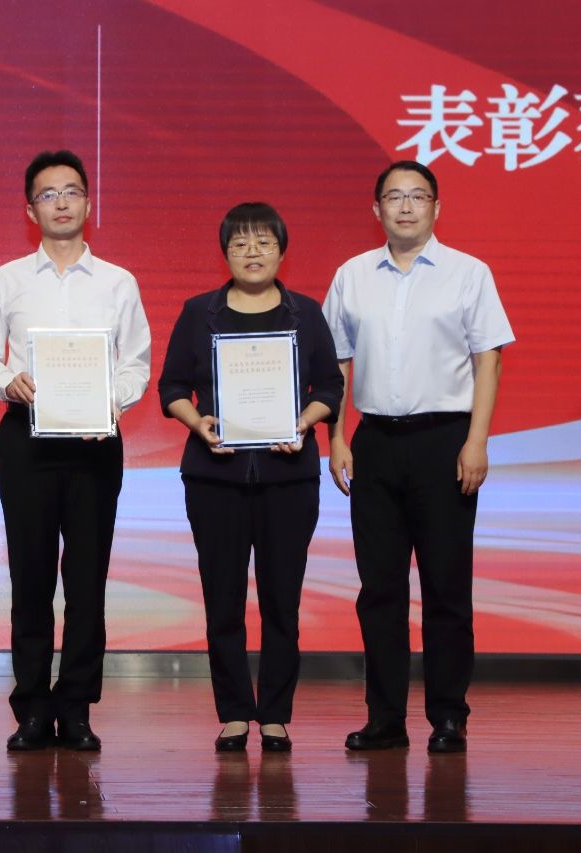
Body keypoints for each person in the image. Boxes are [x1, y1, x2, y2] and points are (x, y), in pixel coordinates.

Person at [322, 161, 514, 754]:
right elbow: (336, 364)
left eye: (418, 197)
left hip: (445, 442)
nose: (406, 207)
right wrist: (337, 437)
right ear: (376, 209)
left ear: (437, 207)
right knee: (379, 589)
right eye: (394, 197)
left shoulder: (468, 273)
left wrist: (477, 440)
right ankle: (384, 718)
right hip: (375, 442)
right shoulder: (352, 275)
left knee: (446, 587)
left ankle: (449, 715)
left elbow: (488, 359)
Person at [0, 150, 151, 752]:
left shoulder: (118, 282)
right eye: (48, 194)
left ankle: (76, 708)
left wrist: (110, 402)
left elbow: (136, 363)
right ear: (30, 210)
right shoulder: (8, 279)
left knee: (88, 580)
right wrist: (6, 381)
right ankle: (31, 709)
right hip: (27, 439)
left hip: (95, 441)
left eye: (71, 191)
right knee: (31, 576)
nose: (62, 203)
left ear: (88, 203)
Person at [158, 202, 343, 752]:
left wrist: (303, 423)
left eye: (263, 242)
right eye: (240, 244)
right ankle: (235, 712)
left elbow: (330, 388)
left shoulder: (306, 314)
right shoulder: (199, 313)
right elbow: (172, 387)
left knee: (283, 600)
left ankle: (276, 714)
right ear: (225, 254)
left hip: (289, 479)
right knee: (223, 600)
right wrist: (198, 423)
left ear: (282, 251)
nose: (252, 252)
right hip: (215, 478)